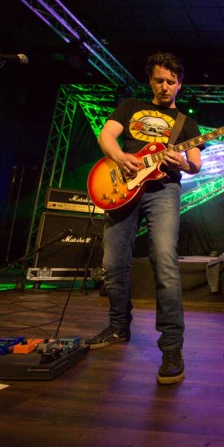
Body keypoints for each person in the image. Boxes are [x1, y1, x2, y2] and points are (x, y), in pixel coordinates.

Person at [85, 51, 203, 385]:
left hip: (163, 190)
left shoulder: (186, 123)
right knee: (112, 265)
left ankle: (171, 348)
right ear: (150, 80)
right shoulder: (130, 106)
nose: (165, 86)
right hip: (123, 187)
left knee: (164, 261)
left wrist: (185, 164)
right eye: (159, 80)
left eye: (171, 81)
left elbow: (196, 164)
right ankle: (118, 326)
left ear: (179, 84)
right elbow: (106, 135)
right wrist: (121, 156)